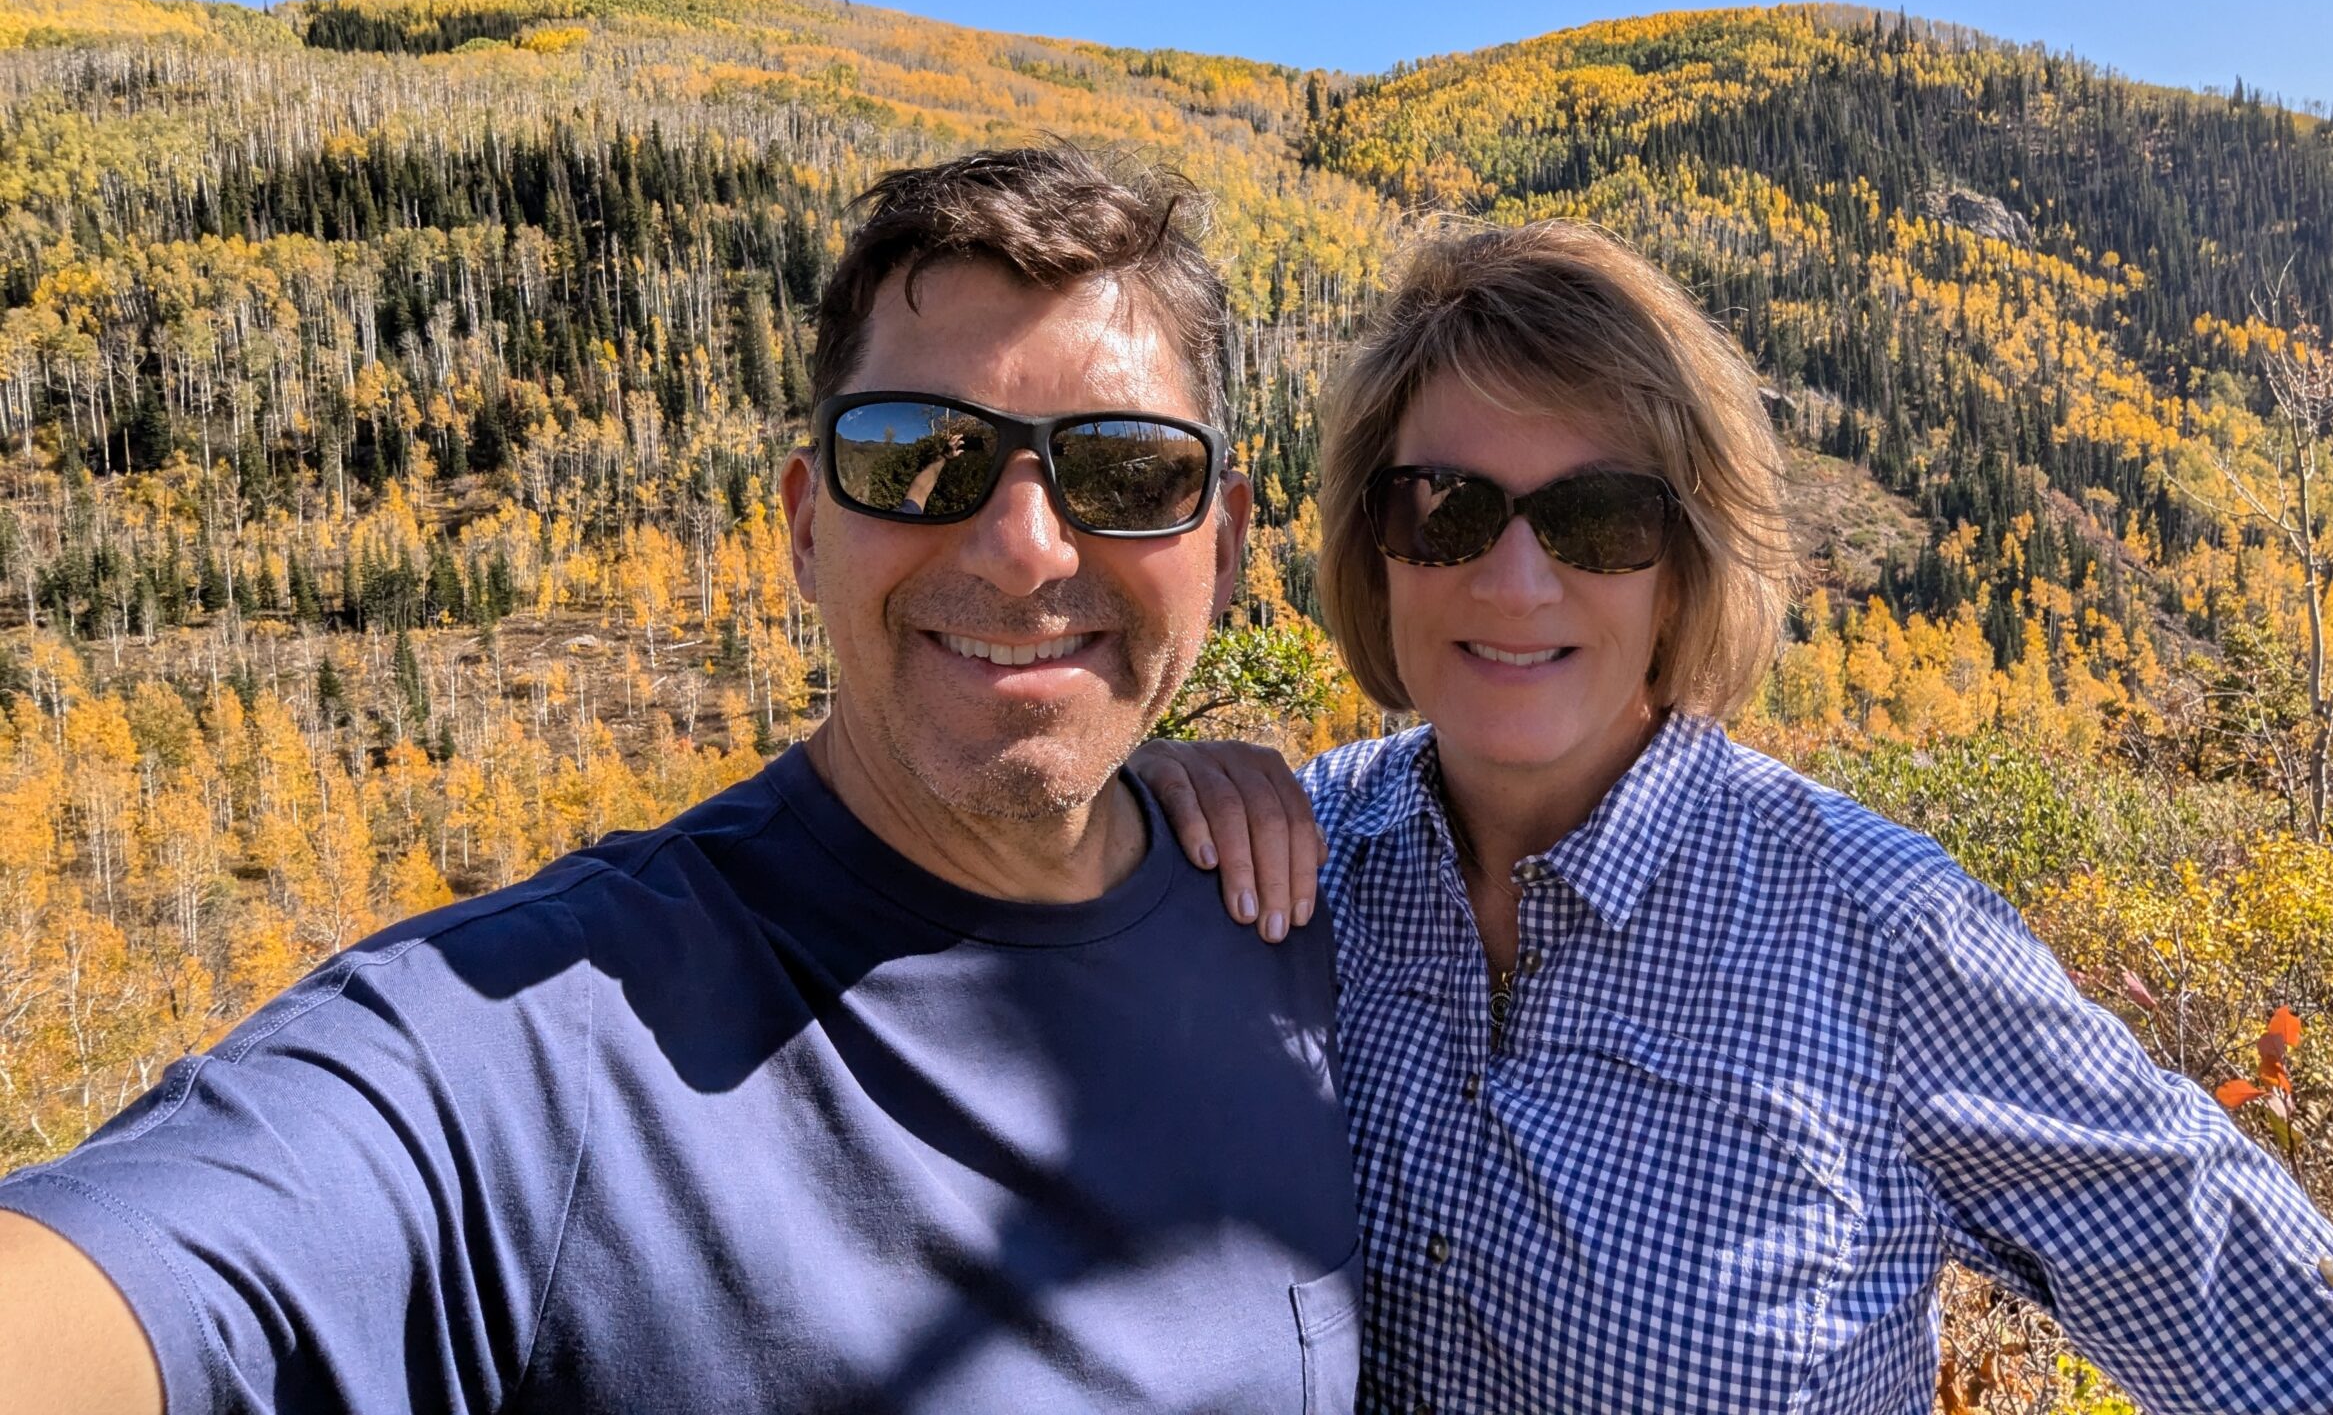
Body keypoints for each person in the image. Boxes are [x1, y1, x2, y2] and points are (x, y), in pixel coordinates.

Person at [0, 146, 1362, 1415]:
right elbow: (159, 1265)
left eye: (1126, 468)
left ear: (1226, 545)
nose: (1023, 546)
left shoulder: (1316, 919)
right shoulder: (539, 1043)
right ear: (806, 527)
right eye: (918, 455)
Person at [1135, 219, 2333, 1414]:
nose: (1518, 580)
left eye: (1601, 517)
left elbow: (2290, 1340)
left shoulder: (1882, 936)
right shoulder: (1295, 861)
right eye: (1448, 508)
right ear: (1375, 543)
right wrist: (1137, 799)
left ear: (1685, 564)